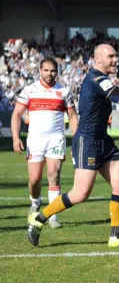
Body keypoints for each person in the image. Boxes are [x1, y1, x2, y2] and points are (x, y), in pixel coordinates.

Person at [27, 44, 119, 247]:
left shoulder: (102, 80)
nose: (115, 59)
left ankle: (116, 237)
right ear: (98, 60)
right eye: (111, 56)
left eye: (116, 55)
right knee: (80, 193)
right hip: (88, 141)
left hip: (103, 139)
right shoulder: (96, 79)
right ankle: (39, 219)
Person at [11, 57, 78, 229]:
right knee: (34, 179)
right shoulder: (30, 90)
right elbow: (17, 114)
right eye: (46, 70)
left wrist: (76, 140)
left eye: (53, 70)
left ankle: (53, 215)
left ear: (57, 72)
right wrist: (16, 137)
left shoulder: (64, 91)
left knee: (53, 175)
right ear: (40, 70)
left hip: (56, 139)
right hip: (34, 140)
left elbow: (72, 116)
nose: (50, 73)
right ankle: (35, 202)